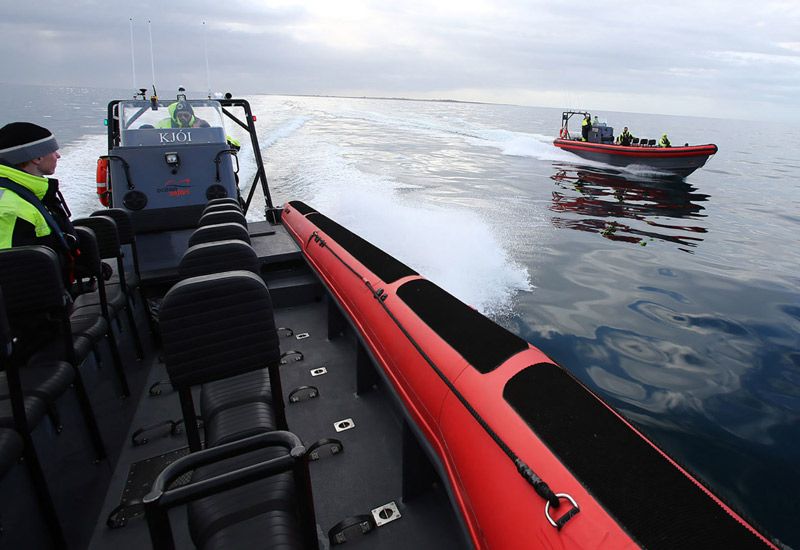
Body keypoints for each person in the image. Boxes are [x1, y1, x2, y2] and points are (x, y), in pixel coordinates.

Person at [0, 122, 79, 284]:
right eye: (53, 150)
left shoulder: (29, 192)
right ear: (37, 157)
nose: (58, 156)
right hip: (33, 305)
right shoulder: (8, 208)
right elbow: (10, 274)